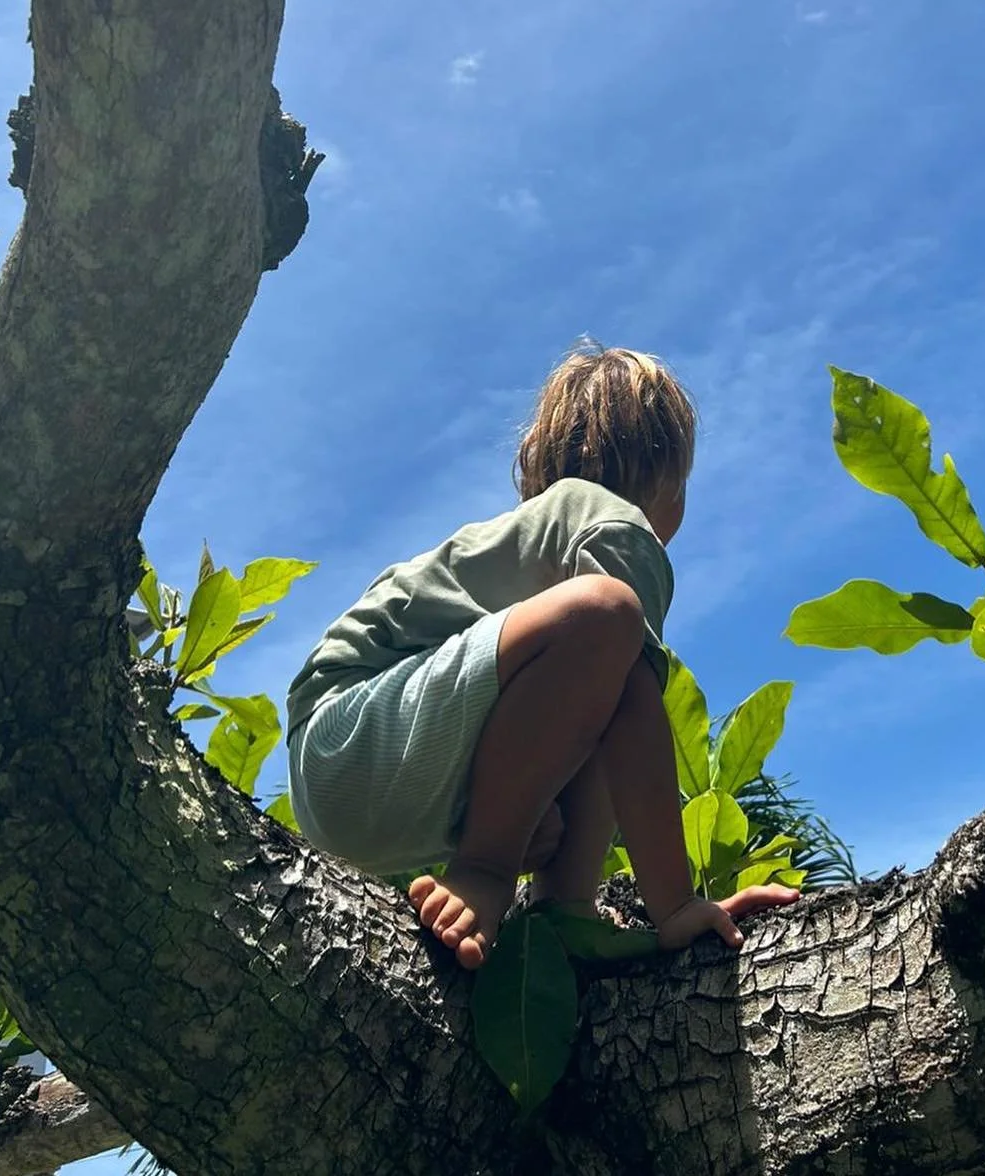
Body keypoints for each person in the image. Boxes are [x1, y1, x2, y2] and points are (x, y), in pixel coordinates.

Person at [286, 342, 799, 968]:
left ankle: (562, 917)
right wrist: (675, 905)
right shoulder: (615, 526)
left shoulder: (535, 549)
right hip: (352, 726)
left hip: (352, 776)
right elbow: (637, 708)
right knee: (608, 617)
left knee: (597, 691)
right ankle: (485, 869)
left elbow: (598, 720)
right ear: (670, 486)